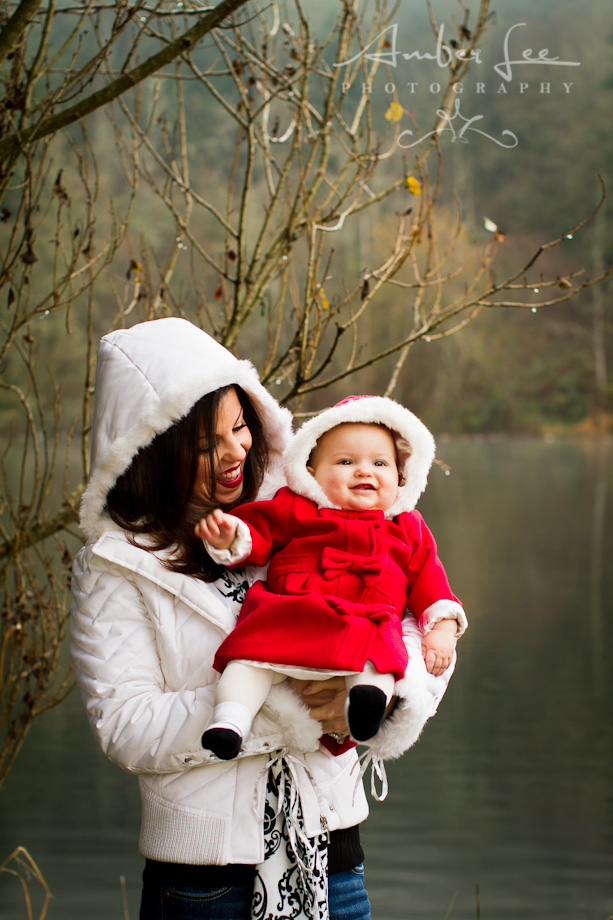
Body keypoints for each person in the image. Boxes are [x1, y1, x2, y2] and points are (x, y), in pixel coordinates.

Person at [70, 317, 458, 920]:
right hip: (205, 887)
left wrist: (386, 696)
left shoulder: (306, 502)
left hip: (334, 867)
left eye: (240, 426)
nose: (236, 452)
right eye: (207, 445)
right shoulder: (116, 565)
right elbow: (127, 726)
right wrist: (285, 705)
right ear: (153, 452)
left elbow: (418, 615)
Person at [197, 395, 467, 761]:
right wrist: (232, 538)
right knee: (248, 659)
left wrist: (443, 629)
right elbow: (258, 533)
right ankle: (230, 720)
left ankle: (366, 706)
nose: (364, 471)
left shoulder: (408, 526)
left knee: (382, 659)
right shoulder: (295, 506)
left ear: (402, 476)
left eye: (380, 463)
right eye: (345, 462)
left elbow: (430, 582)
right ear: (311, 473)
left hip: (367, 619)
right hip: (291, 613)